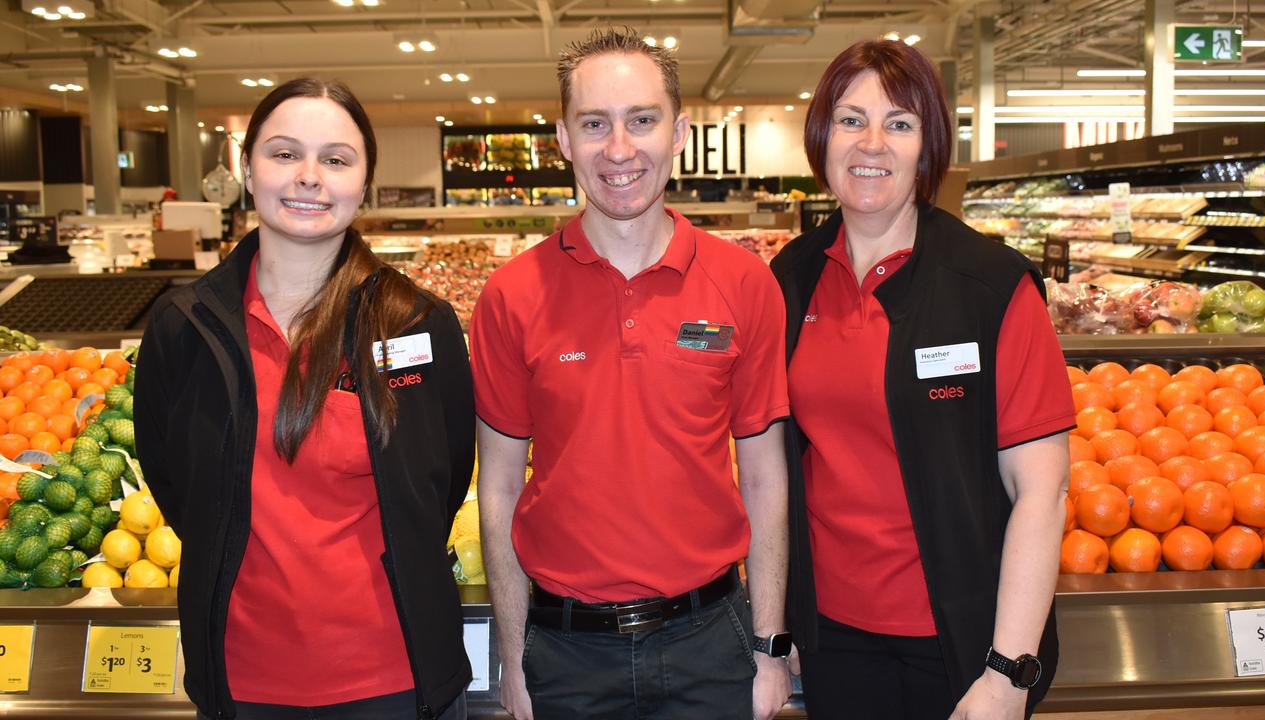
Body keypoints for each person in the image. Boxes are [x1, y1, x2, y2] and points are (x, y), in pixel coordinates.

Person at [470, 27, 793, 720]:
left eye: (641, 120)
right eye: (595, 124)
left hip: (713, 643)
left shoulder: (745, 283)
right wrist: (513, 653)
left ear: (678, 132)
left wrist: (768, 647)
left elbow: (765, 474)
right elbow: (496, 486)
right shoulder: (511, 295)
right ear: (562, 138)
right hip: (564, 654)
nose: (619, 150)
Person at [134, 78, 475, 720]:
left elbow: (441, 479)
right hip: (242, 680)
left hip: (398, 679)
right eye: (285, 154)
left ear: (364, 182)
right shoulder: (185, 327)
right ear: (247, 168)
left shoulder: (415, 324)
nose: (309, 177)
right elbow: (175, 482)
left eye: (337, 159)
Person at [770, 40, 1072, 720]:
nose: (871, 143)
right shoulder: (788, 281)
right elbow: (777, 468)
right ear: (822, 138)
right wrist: (781, 621)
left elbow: (1041, 491)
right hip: (834, 637)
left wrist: (1007, 672)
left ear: (927, 145)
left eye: (899, 124)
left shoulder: (990, 285)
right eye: (851, 120)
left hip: (964, 643)